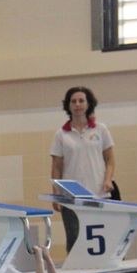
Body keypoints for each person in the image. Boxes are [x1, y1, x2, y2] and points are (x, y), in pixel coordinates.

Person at [50, 87, 118, 253]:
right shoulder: (61, 134)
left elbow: (110, 159)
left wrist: (108, 179)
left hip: (98, 194)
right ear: (68, 105)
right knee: (75, 242)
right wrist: (56, 193)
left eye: (81, 101)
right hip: (71, 197)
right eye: (73, 101)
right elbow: (56, 166)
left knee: (101, 242)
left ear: (88, 104)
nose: (77, 104)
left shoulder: (100, 130)